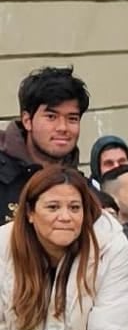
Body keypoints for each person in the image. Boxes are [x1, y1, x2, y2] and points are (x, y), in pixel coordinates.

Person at [0, 163, 128, 330]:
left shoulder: (110, 247)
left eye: (75, 208)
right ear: (30, 212)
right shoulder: (4, 249)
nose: (65, 216)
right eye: (53, 207)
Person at [0, 65, 86, 220]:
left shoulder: (85, 188)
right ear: (27, 120)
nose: (63, 128)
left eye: (72, 118)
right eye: (51, 117)